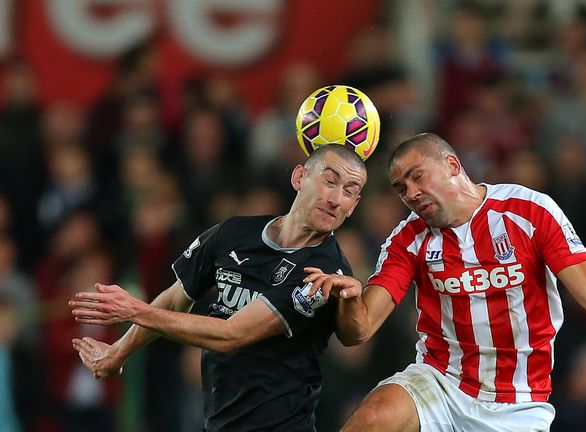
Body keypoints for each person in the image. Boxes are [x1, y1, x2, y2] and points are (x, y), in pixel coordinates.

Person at [303, 133, 586, 432]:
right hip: (441, 379)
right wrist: (349, 296)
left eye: (417, 176)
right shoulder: (408, 238)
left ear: (452, 165)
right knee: (373, 417)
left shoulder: (530, 212)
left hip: (518, 400)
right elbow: (359, 331)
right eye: (400, 188)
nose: (410, 193)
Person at [68, 144, 367, 431]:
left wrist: (135, 310)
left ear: (353, 207)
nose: (336, 199)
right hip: (219, 422)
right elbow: (175, 299)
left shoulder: (325, 272)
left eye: (350, 192)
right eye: (330, 181)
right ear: (299, 177)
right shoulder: (233, 233)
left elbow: (232, 334)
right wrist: (119, 352)